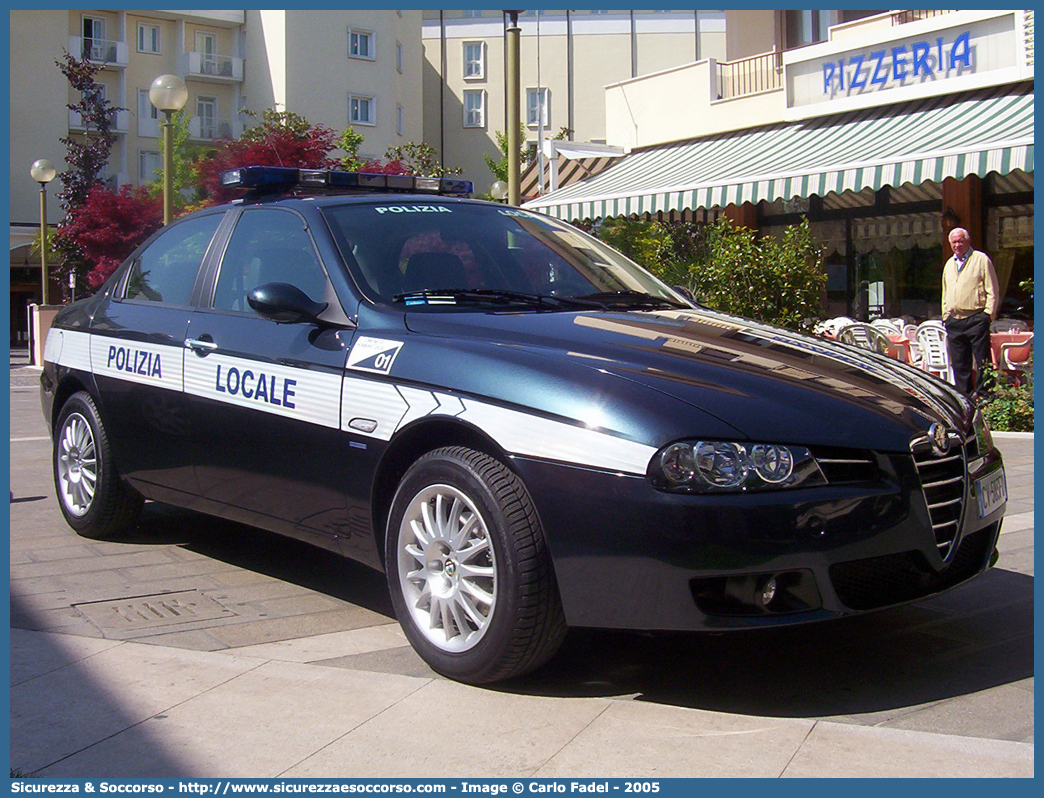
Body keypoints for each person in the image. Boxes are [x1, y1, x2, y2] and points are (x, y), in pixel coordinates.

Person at [941, 227, 999, 399]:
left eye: (960, 241)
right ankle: (964, 396)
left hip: (976, 317)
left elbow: (992, 289)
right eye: (954, 242)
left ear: (968, 241)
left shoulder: (981, 259)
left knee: (983, 361)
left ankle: (985, 395)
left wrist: (988, 314)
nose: (957, 245)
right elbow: (945, 292)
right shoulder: (949, 264)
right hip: (955, 320)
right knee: (959, 363)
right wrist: (946, 316)